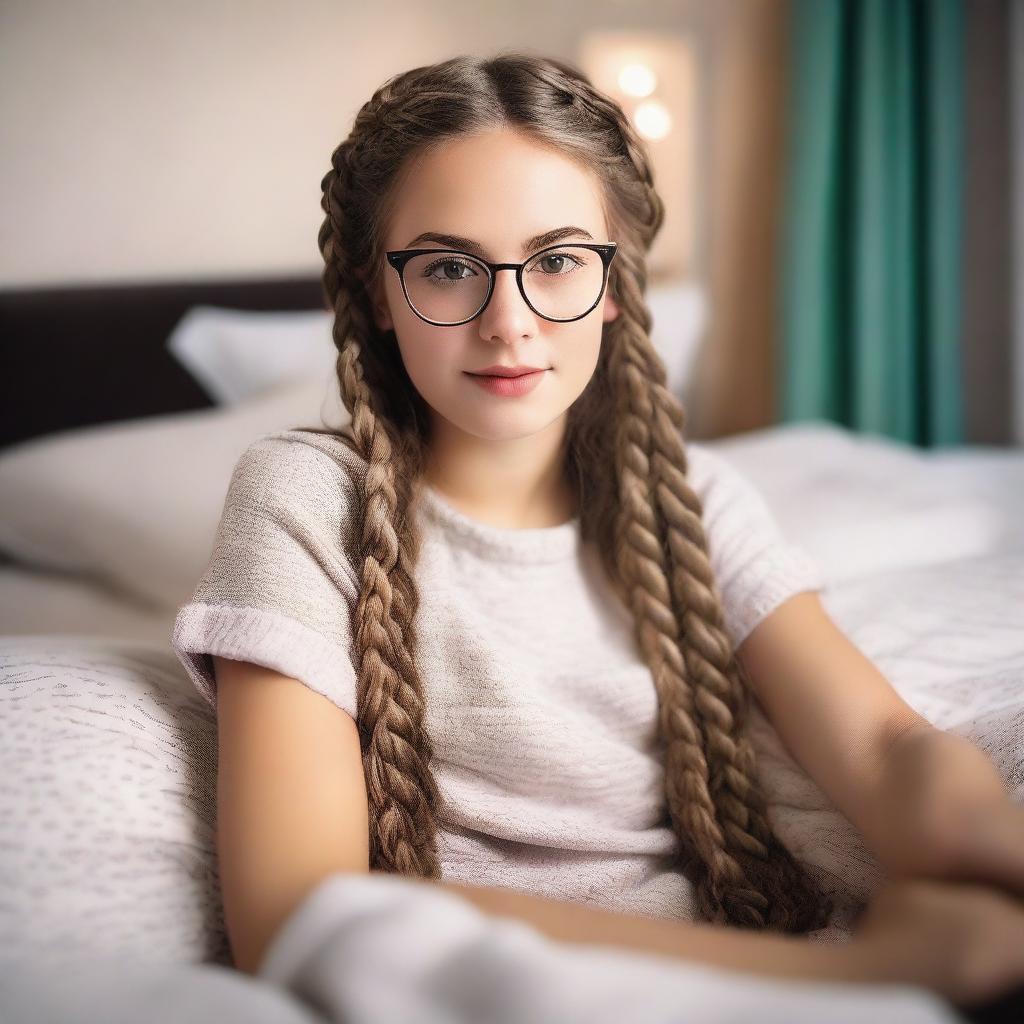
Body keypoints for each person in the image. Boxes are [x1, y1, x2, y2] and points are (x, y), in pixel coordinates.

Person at [171, 52, 1024, 1011]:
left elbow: (883, 748)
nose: (510, 321)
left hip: (749, 951)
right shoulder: (301, 498)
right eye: (449, 268)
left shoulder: (696, 500)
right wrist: (870, 974)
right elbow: (300, 916)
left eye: (559, 261)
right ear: (377, 291)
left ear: (616, 285)